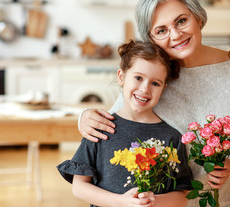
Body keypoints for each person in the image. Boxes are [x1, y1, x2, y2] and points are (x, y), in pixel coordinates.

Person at [78, 0, 230, 207]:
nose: (175, 35)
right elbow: (116, 122)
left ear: (198, 17)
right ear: (151, 39)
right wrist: (85, 117)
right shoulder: (153, 78)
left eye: (181, 21)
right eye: (161, 30)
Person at [57, 40, 193, 207]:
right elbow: (79, 187)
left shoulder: (171, 136)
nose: (144, 88)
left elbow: (183, 194)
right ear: (121, 77)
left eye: (155, 83)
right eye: (138, 78)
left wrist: (155, 201)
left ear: (163, 88)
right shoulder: (101, 128)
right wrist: (121, 202)